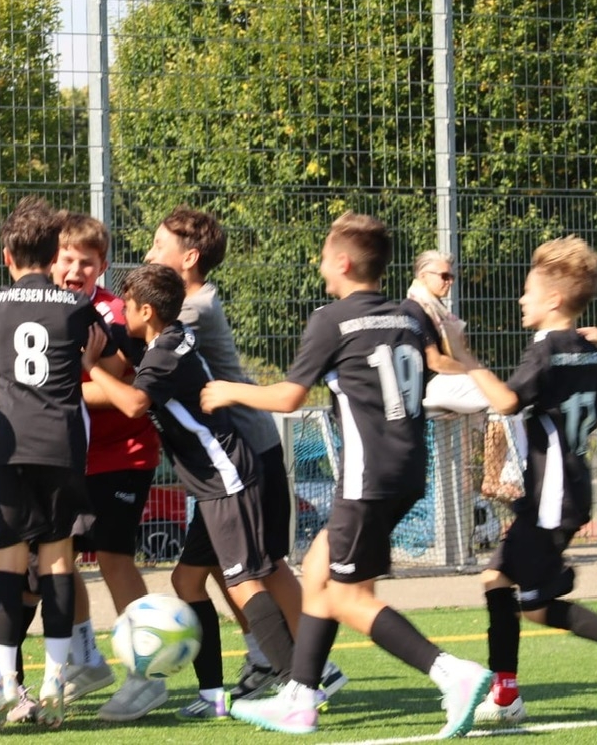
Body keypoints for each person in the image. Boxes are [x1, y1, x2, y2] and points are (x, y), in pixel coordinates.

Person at [201, 212, 492, 739]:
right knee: (317, 571)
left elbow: (289, 397)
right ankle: (300, 697)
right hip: (408, 467)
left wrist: (228, 391)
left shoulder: (331, 319)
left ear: (343, 262)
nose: (319, 267)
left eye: (322, 257)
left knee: (346, 596)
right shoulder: (407, 316)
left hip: (366, 475)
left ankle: (452, 673)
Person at [444, 234, 597, 726]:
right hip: (569, 487)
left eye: (528, 291)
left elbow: (507, 402)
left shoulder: (546, 350)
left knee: (508, 588)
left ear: (553, 299)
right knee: (522, 597)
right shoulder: (588, 350)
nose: (520, 299)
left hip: (551, 496)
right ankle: (511, 692)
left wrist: (464, 356)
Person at [144, 206, 342, 704]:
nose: (149, 254)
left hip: (244, 452)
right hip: (223, 461)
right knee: (206, 572)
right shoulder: (191, 303)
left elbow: (140, 344)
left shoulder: (192, 310)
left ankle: (312, 665)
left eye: (159, 246)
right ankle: (267, 658)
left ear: (189, 258)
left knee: (263, 566)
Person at [87, 263, 298, 723]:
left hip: (225, 479)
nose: (122, 313)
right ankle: (213, 695)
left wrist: (87, 368)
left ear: (147, 311)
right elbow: (123, 347)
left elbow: (133, 404)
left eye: (127, 307)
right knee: (186, 582)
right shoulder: (163, 339)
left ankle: (298, 684)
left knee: (244, 582)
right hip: (211, 484)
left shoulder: (164, 352)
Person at [0, 196, 122, 730]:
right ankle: (53, 684)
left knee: (7, 561)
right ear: (54, 256)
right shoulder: (76, 306)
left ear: (7, 256)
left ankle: (5, 683)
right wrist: (90, 360)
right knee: (57, 561)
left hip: (8, 444)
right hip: (60, 444)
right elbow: (117, 361)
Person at [49, 213, 169, 721]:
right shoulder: (41, 305)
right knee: (58, 555)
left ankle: (148, 676)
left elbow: (116, 387)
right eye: (67, 259)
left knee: (115, 558)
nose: (75, 270)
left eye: (87, 262)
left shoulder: (113, 313)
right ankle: (86, 658)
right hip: (69, 458)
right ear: (51, 262)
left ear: (101, 267)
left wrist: (45, 395)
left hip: (122, 455)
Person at [406, 251, 490, 414]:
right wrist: (473, 370)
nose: (450, 282)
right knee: (494, 395)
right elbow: (435, 362)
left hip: (443, 382)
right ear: (423, 276)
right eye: (444, 276)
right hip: (428, 385)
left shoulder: (435, 309)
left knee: (488, 388)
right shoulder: (415, 308)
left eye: (452, 277)